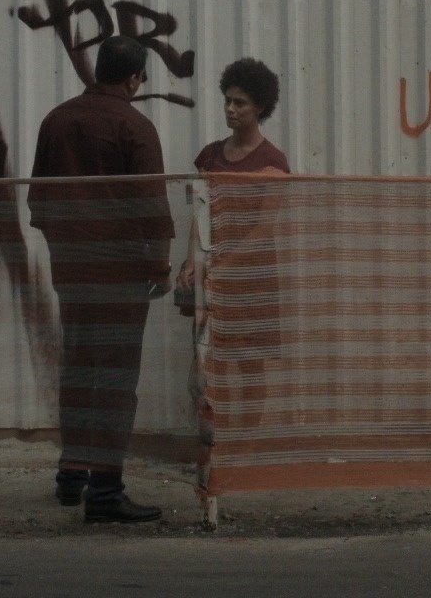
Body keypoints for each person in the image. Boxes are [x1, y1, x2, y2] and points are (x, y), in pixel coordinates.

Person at [28, 36, 175, 525]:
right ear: (134, 78)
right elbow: (152, 207)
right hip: (122, 277)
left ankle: (71, 476)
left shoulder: (56, 120)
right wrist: (159, 268)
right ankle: (106, 492)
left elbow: (38, 204)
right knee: (115, 379)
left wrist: (69, 251)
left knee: (78, 367)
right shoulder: (135, 126)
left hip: (72, 273)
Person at [188, 59, 290, 431]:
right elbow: (199, 217)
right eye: (227, 101)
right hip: (212, 273)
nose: (230, 109)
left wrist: (221, 265)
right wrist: (191, 262)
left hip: (252, 277)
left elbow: (264, 228)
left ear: (260, 107)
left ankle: (246, 441)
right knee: (210, 356)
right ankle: (219, 436)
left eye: (240, 103)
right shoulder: (210, 156)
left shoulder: (272, 160)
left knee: (249, 360)